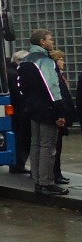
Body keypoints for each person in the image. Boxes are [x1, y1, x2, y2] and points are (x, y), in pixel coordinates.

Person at [15, 29, 69, 196]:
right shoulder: (45, 61)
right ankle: (46, 183)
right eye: (50, 39)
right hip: (48, 109)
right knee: (48, 147)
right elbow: (53, 88)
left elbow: (20, 86)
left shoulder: (25, 61)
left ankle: (38, 180)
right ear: (42, 42)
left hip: (32, 109)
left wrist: (31, 103)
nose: (52, 42)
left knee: (35, 145)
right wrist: (60, 112)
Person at [50, 48, 75, 185]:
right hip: (58, 116)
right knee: (55, 147)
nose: (63, 62)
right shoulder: (55, 76)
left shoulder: (59, 75)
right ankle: (55, 174)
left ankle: (57, 173)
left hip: (63, 115)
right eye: (60, 59)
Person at [7, 50, 30, 174]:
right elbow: (18, 94)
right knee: (21, 137)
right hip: (19, 111)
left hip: (16, 110)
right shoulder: (15, 74)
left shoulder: (10, 72)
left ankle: (17, 163)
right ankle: (18, 164)